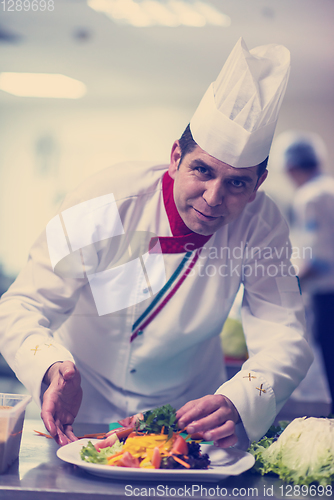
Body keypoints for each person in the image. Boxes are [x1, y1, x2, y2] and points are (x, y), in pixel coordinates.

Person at [0, 38, 313, 448]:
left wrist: (240, 399)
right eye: (202, 170)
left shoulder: (263, 225)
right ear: (174, 158)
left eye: (237, 182)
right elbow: (21, 304)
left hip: (187, 423)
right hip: (79, 415)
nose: (214, 197)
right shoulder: (103, 200)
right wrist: (49, 365)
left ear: (259, 185)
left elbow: (284, 331)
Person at [282, 131, 334, 414]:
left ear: (291, 168)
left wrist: (286, 287)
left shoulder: (310, 196)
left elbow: (318, 258)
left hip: (328, 296)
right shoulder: (330, 187)